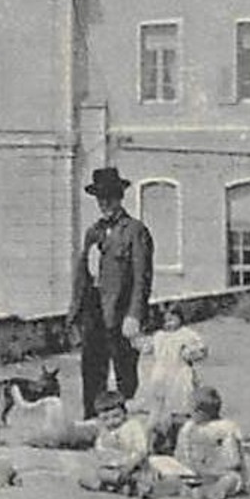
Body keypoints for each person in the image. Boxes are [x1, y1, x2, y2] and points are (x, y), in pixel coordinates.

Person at [68, 167, 154, 419]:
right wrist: (74, 314)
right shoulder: (92, 232)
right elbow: (81, 277)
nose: (104, 203)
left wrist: (135, 316)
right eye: (100, 198)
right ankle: (94, 422)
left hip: (121, 312)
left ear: (119, 197)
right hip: (93, 312)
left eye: (110, 197)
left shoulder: (134, 231)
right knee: (92, 369)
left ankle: (127, 424)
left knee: (125, 371)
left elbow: (142, 277)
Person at [130, 308, 206, 452]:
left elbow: (201, 350)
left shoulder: (186, 334)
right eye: (165, 321)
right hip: (161, 375)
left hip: (180, 374)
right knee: (158, 408)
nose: (169, 324)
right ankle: (159, 440)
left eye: (172, 319)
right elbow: (146, 347)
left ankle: (179, 438)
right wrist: (135, 338)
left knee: (180, 407)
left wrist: (191, 353)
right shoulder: (159, 336)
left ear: (180, 318)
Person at [171, 386, 248, 499]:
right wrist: (186, 464)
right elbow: (180, 452)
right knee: (173, 476)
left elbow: (234, 460)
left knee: (231, 479)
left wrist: (214, 468)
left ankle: (216, 490)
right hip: (195, 473)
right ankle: (186, 489)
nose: (190, 413)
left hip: (220, 472)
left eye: (193, 410)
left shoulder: (226, 428)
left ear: (202, 412)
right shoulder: (189, 427)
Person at [78, 389, 152, 495]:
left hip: (132, 466)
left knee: (142, 477)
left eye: (116, 416)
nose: (111, 422)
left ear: (125, 413)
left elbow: (141, 451)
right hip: (111, 468)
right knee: (90, 474)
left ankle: (127, 485)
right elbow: (100, 450)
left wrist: (129, 465)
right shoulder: (104, 431)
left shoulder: (132, 426)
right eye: (105, 418)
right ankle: (118, 486)